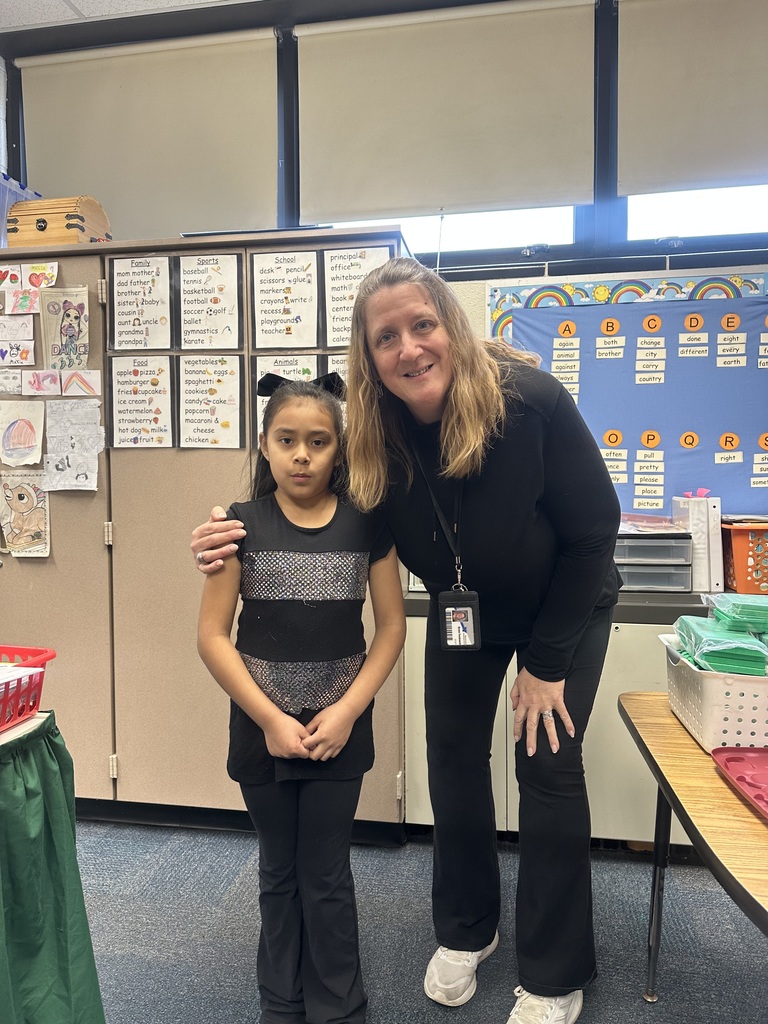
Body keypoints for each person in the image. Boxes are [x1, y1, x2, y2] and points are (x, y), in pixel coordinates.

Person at [192, 259, 621, 1024]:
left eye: (423, 325)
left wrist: (548, 667)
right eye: (386, 336)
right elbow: (303, 493)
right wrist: (227, 533)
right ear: (369, 357)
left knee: (547, 766)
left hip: (565, 607)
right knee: (453, 759)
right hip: (466, 616)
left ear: (449, 327)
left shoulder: (529, 403)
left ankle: (554, 974)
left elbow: (594, 535)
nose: (409, 348)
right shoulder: (376, 440)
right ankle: (466, 930)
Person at [196, 374, 405, 1024]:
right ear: (264, 445)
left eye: (319, 442)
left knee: (326, 874)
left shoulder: (367, 525)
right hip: (261, 733)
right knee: (278, 871)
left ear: (340, 450)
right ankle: (280, 1003)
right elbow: (211, 638)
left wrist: (346, 710)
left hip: (340, 732)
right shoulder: (236, 526)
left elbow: (391, 629)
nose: (303, 455)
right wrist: (270, 719)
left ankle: (338, 1005)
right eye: (287, 440)